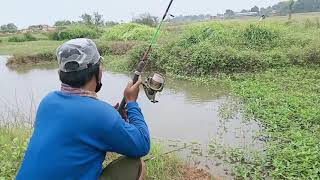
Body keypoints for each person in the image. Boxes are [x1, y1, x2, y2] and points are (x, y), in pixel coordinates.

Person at [17, 38, 150, 180]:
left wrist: (111, 117)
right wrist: (131, 102)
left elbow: (76, 125)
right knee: (135, 165)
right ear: (98, 71)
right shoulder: (101, 115)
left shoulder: (48, 101)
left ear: (62, 73)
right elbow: (142, 144)